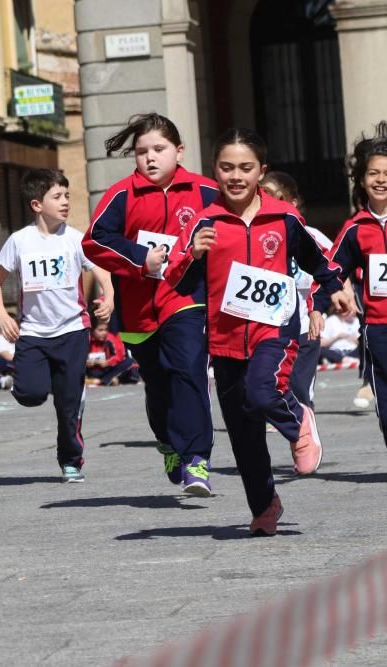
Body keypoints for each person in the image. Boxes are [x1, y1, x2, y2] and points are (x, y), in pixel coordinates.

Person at [166, 128, 351, 536]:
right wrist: (191, 254)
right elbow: (175, 279)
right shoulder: (205, 220)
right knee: (244, 433)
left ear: (260, 171)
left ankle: (297, 422)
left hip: (275, 327)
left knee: (264, 391)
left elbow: (318, 258)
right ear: (214, 170)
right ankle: (265, 505)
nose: (236, 176)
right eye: (227, 167)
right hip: (225, 337)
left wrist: (334, 288)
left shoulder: (284, 218)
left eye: (245, 168)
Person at [82, 112, 219, 495]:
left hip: (186, 298)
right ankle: (168, 443)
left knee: (189, 371)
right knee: (158, 384)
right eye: (142, 152)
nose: (151, 158)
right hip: (139, 308)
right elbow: (95, 240)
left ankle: (197, 460)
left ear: (179, 151)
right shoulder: (122, 195)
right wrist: (140, 260)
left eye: (159, 149)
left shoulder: (207, 192)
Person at [0, 168, 113, 483]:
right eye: (57, 197)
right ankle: (40, 384)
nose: (65, 202)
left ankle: (71, 460)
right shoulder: (19, 241)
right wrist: (2, 314)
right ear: (36, 205)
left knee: (68, 406)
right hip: (33, 333)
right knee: (30, 393)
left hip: (72, 332)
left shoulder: (75, 239)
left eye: (67, 196)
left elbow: (102, 269)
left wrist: (108, 296)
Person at [321, 124, 387, 441]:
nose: (381, 179)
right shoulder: (356, 229)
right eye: (374, 173)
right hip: (377, 329)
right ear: (361, 180)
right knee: (386, 410)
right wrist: (318, 308)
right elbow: (330, 271)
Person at [259, 171, 333, 408]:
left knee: (300, 386)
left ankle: (304, 426)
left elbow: (336, 264)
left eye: (273, 196)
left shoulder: (311, 236)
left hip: (304, 326)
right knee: (266, 384)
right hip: (266, 328)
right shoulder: (257, 238)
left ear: (293, 203)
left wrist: (343, 292)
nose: (266, 201)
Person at [87, 320, 140, 386]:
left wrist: (108, 362)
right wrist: (86, 363)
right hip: (93, 370)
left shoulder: (110, 338)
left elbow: (120, 355)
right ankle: (106, 380)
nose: (104, 332)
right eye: (100, 330)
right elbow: (79, 357)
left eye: (106, 329)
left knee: (130, 361)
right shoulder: (87, 341)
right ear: (92, 331)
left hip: (108, 369)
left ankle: (102, 381)